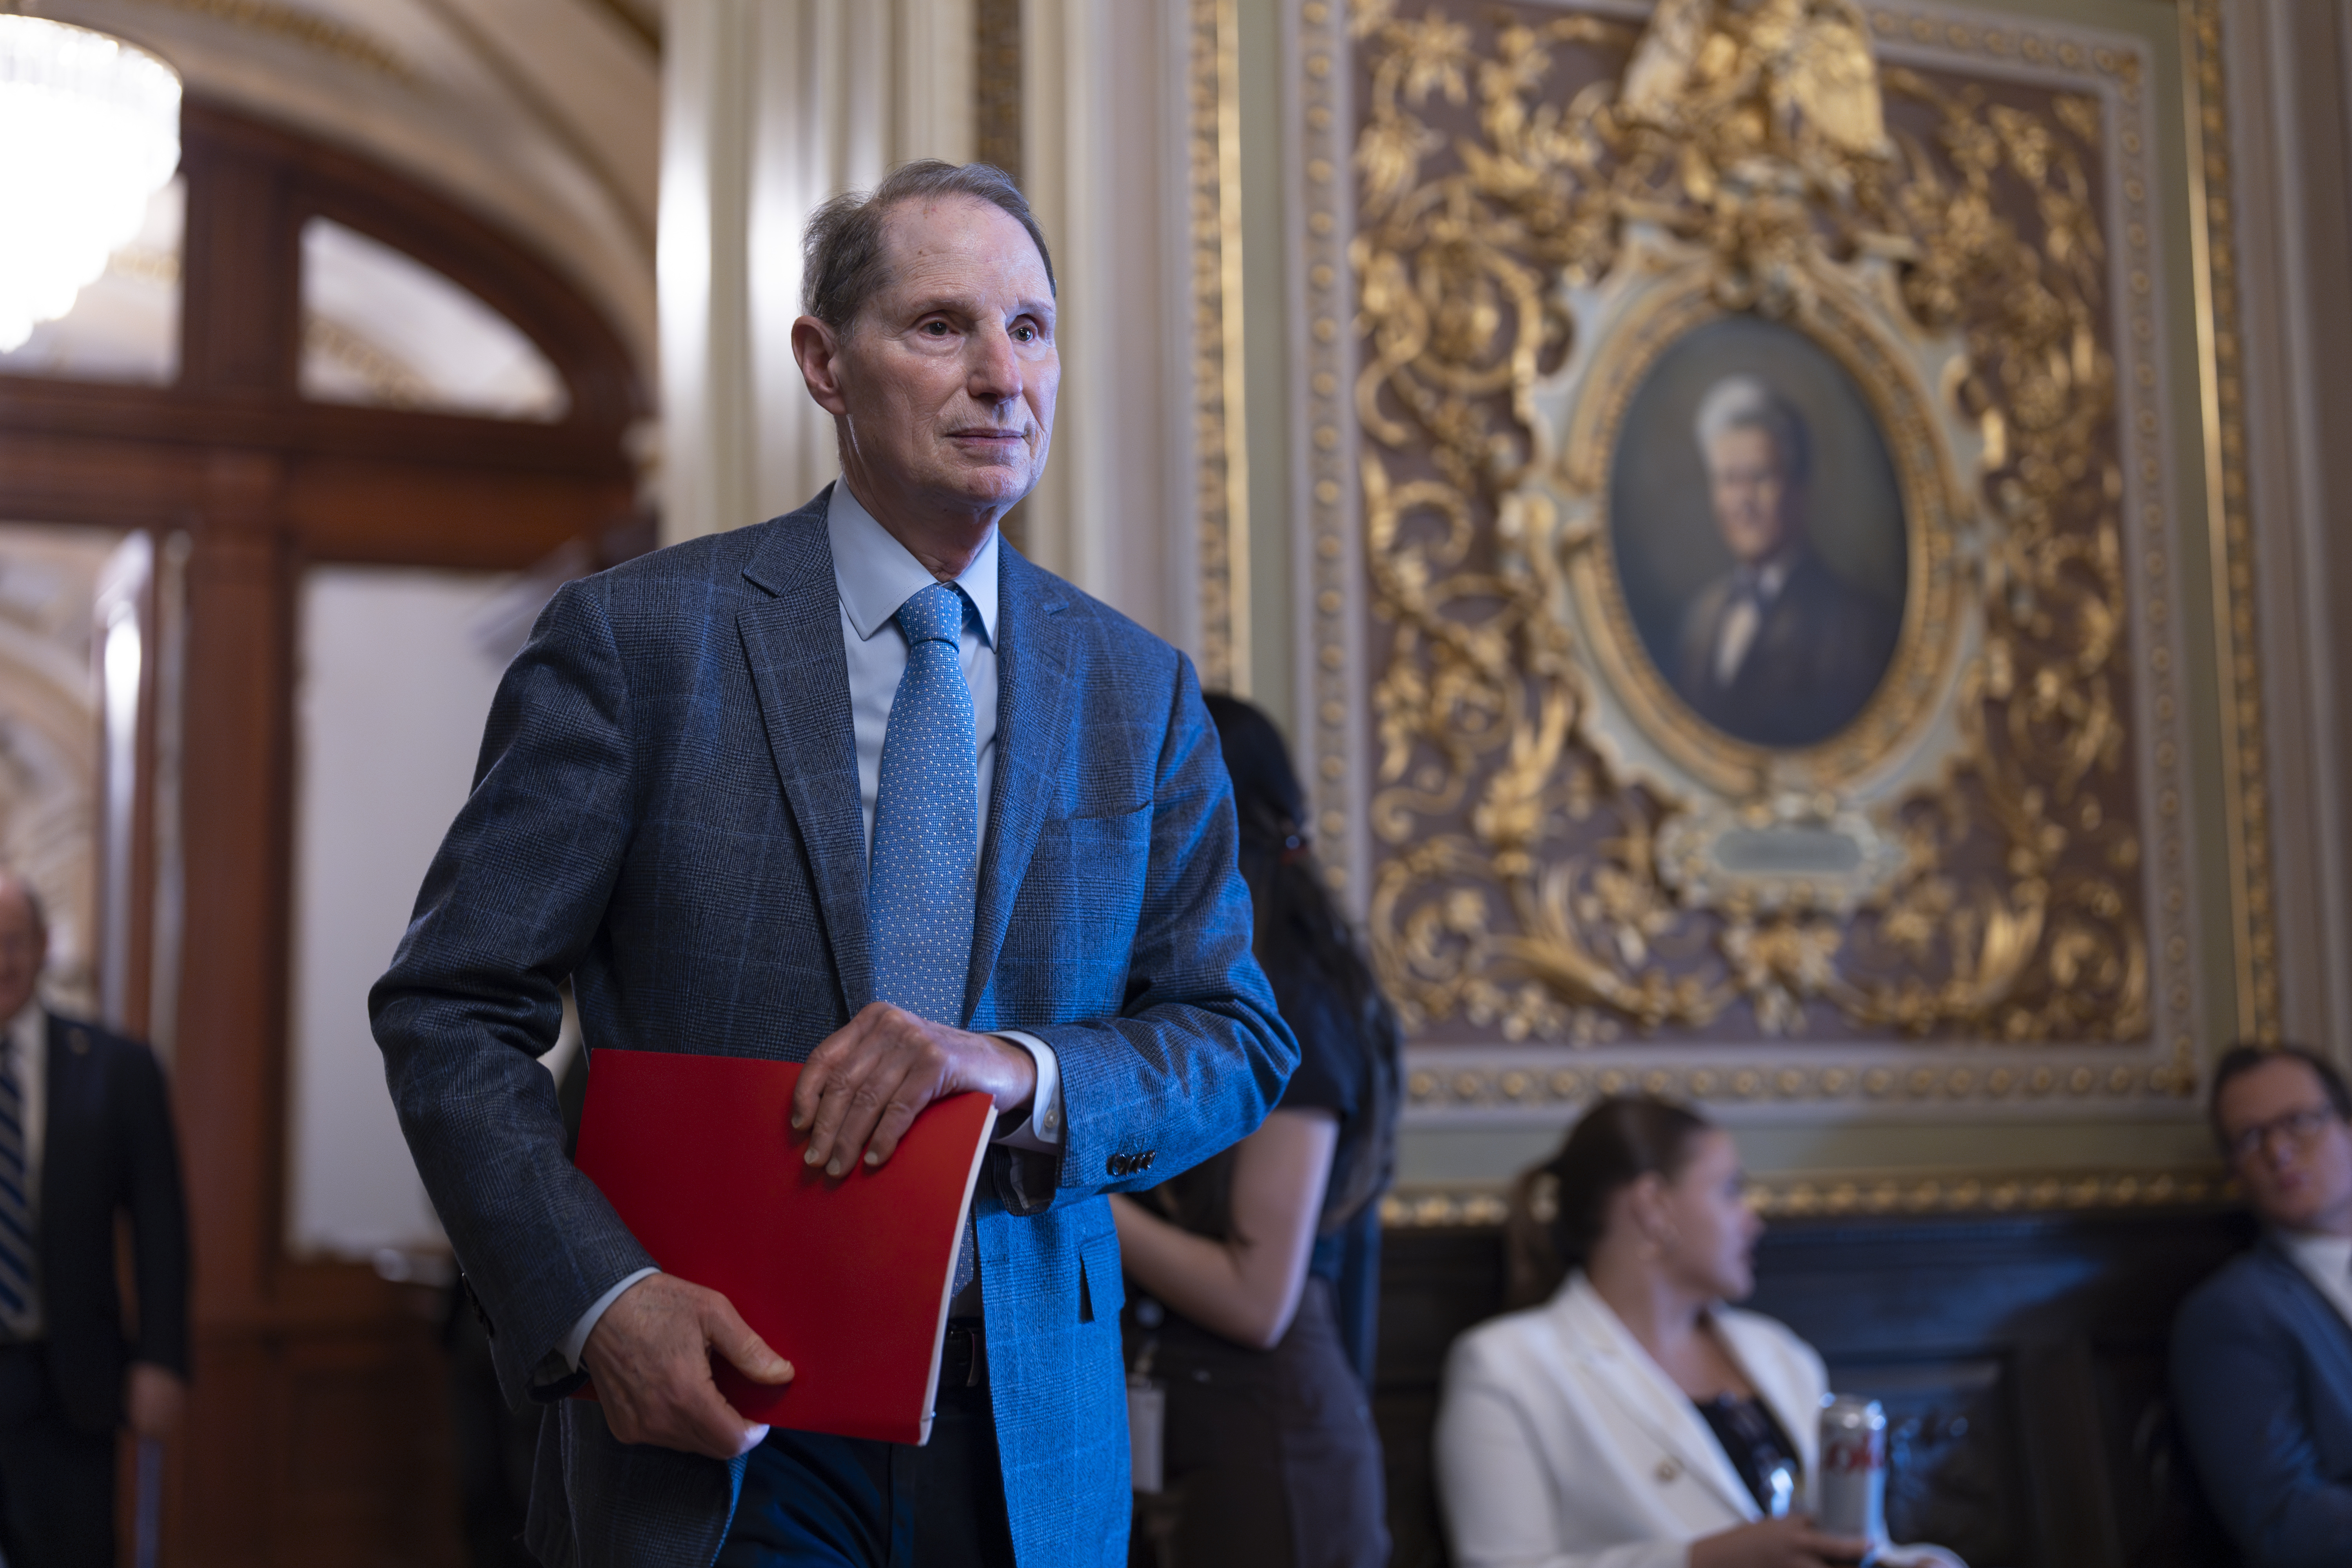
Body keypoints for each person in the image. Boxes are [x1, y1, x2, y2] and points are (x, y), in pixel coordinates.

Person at [370, 159, 1296, 1568]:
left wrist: (1026, 1067)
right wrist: (600, 1297)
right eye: (941, 327)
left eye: (1030, 329)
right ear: (824, 363)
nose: (1001, 375)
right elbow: (450, 1008)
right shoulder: (643, 644)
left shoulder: (1138, 690)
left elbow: (1234, 1035)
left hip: (1025, 1434)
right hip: (716, 1421)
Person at [1110, 695, 1399, 1568]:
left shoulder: (1295, 998)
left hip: (1269, 1440)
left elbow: (1257, 1295)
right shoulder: (1214, 980)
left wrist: (1069, 1190)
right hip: (1195, 1411)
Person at [1435, 1098, 1962, 1568]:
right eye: (1732, 1191)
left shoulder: (1778, 1352)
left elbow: (1853, 1543)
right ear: (1654, 1208)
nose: (1753, 1220)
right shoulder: (1505, 1367)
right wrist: (1706, 1561)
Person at [0, 870, 190, 1568]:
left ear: (45, 947)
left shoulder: (119, 1067)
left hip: (69, 1387)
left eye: (13, 942)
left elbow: (162, 1228)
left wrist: (162, 1359)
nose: (1, 962)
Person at [2169, 1044, 2352, 1566]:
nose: (2279, 1152)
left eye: (2299, 1122)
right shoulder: (2232, 1315)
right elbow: (2285, 1523)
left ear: (2348, 1127)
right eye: (2251, 1138)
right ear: (2235, 1171)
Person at [1671, 375, 1898, 748]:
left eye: (1760, 478)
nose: (1742, 501)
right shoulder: (1700, 620)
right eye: (1728, 480)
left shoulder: (1858, 628)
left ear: (1799, 487)